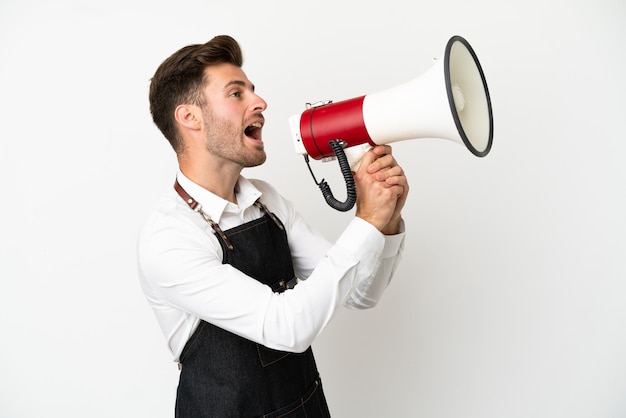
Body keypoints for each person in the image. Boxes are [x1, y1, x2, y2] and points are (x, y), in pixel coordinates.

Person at [137, 34, 409, 418]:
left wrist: (387, 220)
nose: (259, 102)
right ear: (189, 117)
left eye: (253, 90)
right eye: (236, 94)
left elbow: (361, 294)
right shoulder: (169, 240)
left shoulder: (266, 200)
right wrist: (365, 222)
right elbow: (287, 328)